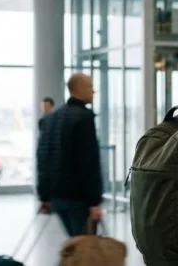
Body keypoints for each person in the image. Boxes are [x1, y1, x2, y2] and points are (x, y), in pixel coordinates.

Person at [36, 73, 103, 236]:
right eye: (90, 86)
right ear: (79, 89)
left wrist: (44, 195)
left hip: (56, 196)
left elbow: (43, 157)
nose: (93, 91)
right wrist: (94, 201)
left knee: (75, 242)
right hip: (78, 197)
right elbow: (88, 162)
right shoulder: (84, 117)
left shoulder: (51, 118)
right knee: (85, 246)